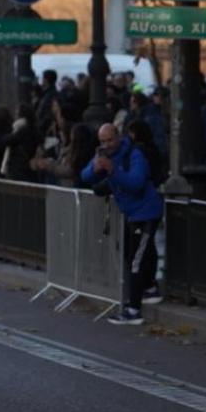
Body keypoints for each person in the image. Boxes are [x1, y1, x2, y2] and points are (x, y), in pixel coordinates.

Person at [81, 122, 165, 325]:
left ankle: (134, 309)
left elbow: (136, 183)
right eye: (103, 141)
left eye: (110, 140)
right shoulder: (106, 155)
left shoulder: (134, 154)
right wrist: (95, 166)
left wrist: (113, 170)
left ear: (118, 137)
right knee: (133, 255)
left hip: (145, 212)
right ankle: (149, 287)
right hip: (132, 213)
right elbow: (85, 176)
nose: (107, 145)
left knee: (136, 259)